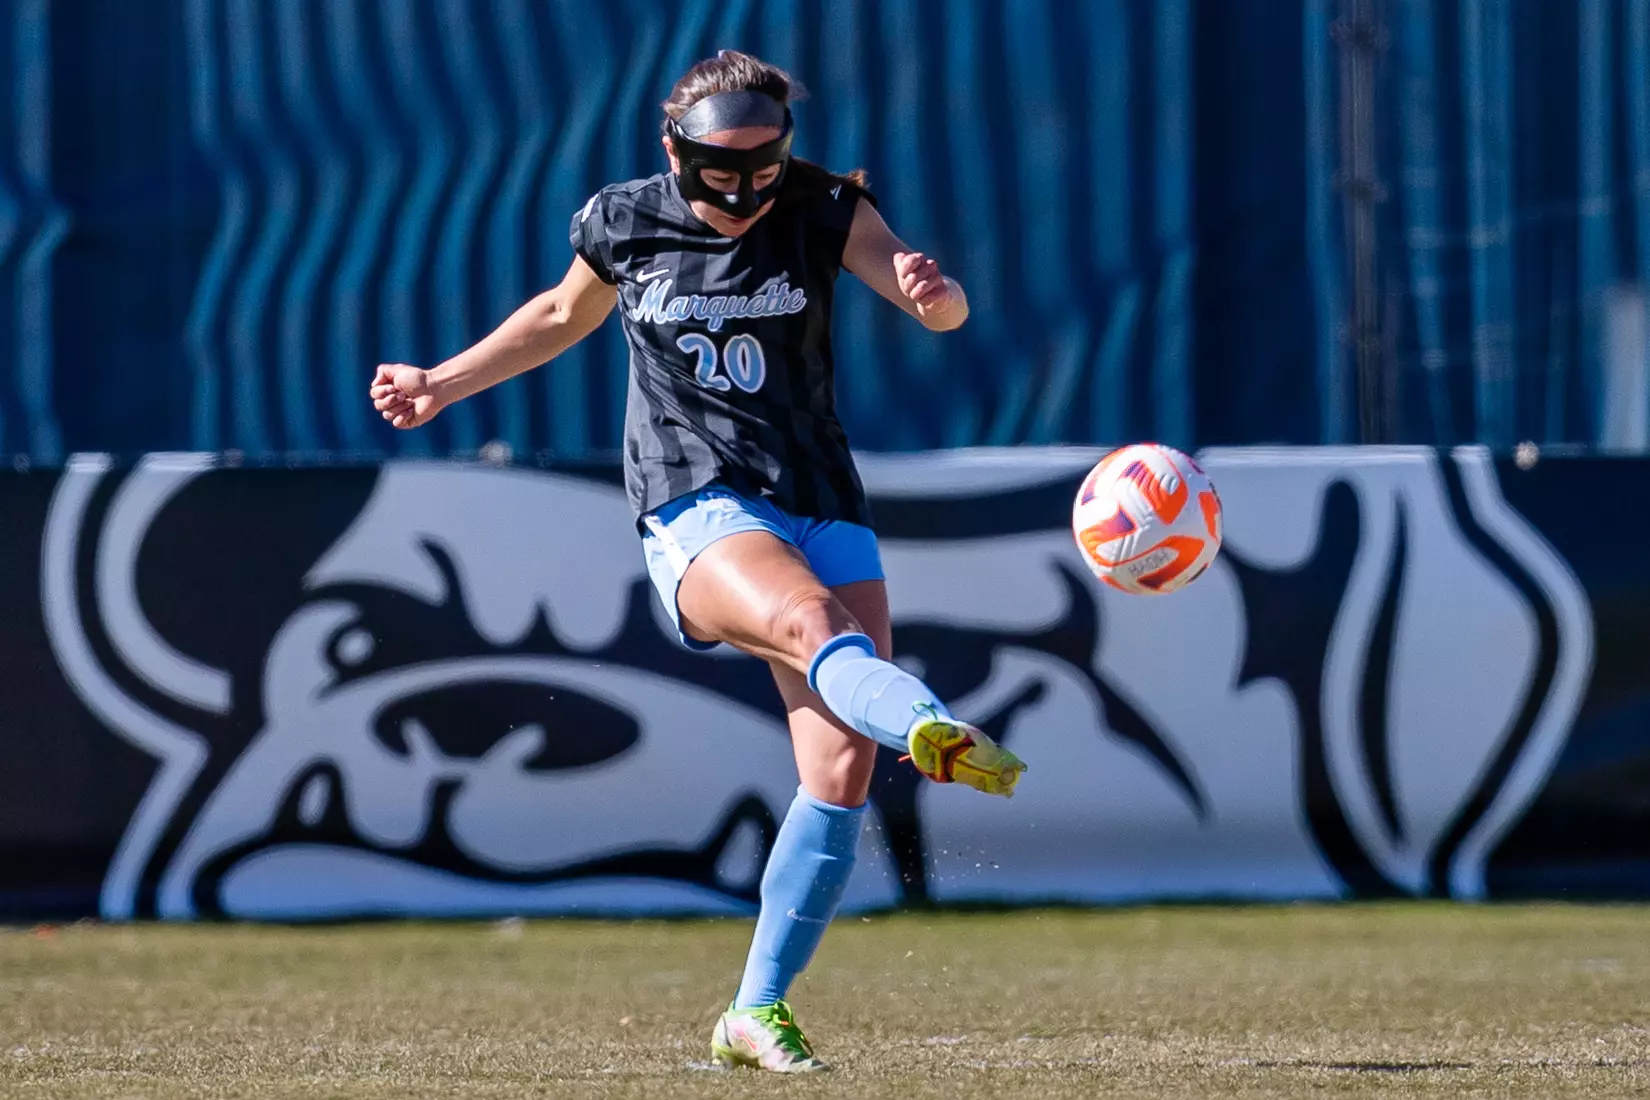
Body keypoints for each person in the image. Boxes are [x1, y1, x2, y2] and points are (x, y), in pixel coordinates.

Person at [369, 49, 1026, 1074]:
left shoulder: (822, 207)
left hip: (819, 499)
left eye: (760, 172)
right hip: (693, 501)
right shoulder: (624, 221)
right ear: (672, 151)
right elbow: (554, 317)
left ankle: (753, 1012)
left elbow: (935, 304)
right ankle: (929, 723)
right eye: (717, 173)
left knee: (840, 768)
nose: (739, 194)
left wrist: (933, 294)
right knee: (819, 631)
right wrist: (440, 384)